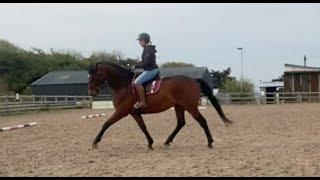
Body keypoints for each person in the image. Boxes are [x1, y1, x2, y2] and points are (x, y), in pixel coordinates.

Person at [133, 32, 160, 109]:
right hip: (148, 69)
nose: (139, 42)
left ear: (144, 41)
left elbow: (146, 63)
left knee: (137, 82)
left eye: (140, 41)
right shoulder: (146, 49)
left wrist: (137, 66)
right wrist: (136, 65)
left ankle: (143, 103)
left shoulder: (148, 49)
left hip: (151, 70)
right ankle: (139, 99)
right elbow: (143, 61)